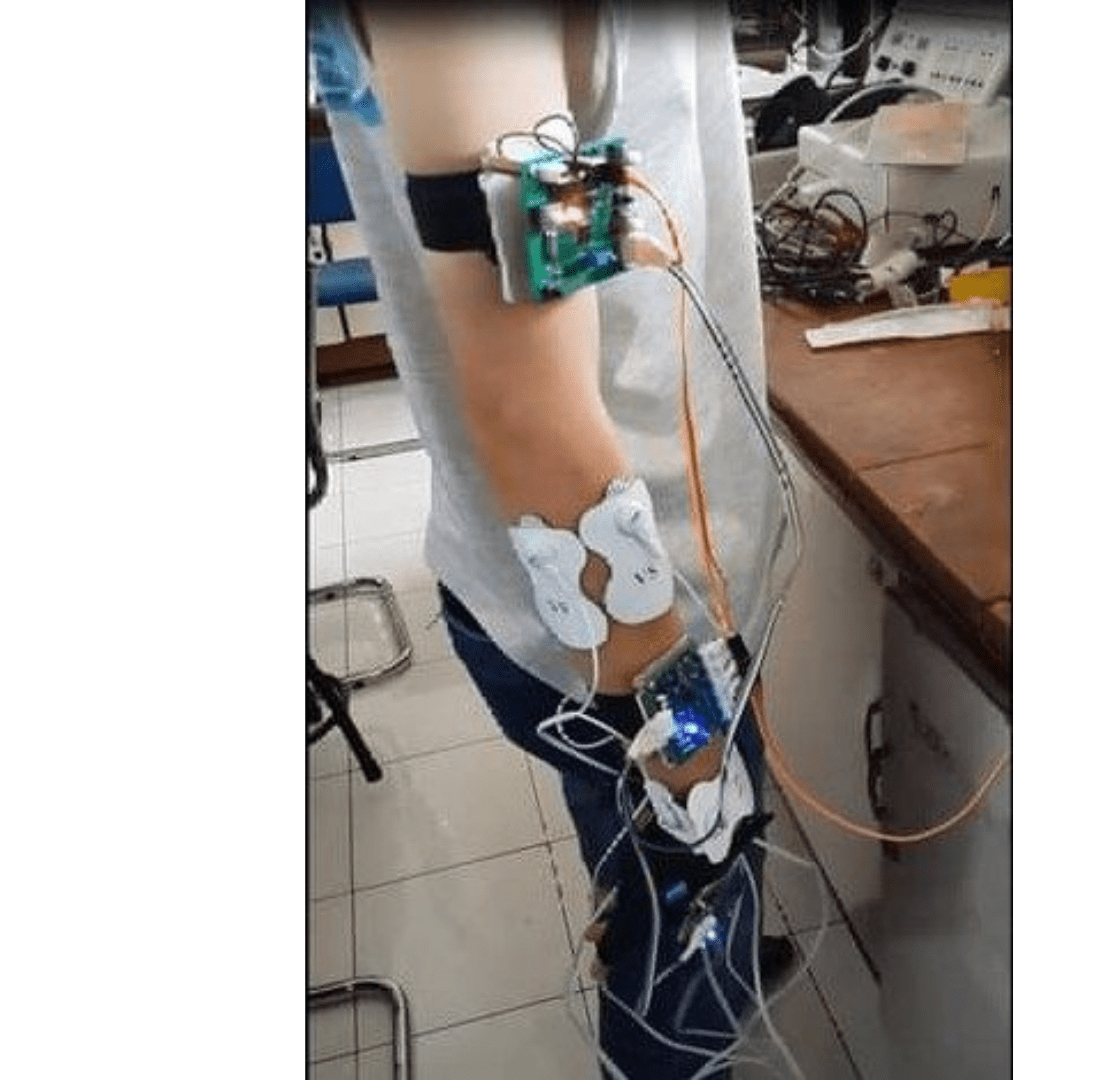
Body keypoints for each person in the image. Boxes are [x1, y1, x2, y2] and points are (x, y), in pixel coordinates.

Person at [309, 4, 794, 1076]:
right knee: (682, 962)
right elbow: (525, 396)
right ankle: (683, 1004)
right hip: (638, 630)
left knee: (663, 894)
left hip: (671, 582)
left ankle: (686, 937)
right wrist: (675, 716)